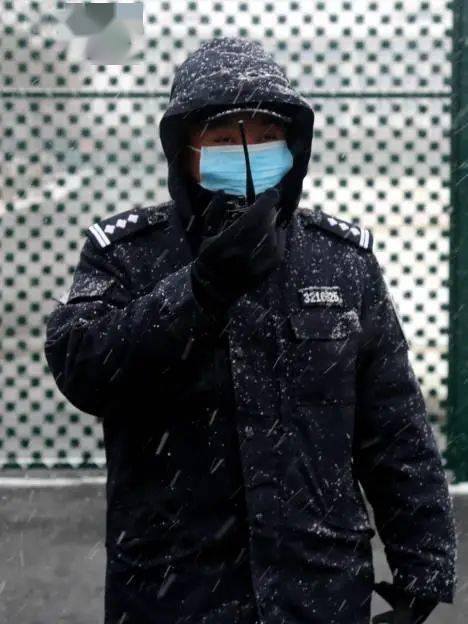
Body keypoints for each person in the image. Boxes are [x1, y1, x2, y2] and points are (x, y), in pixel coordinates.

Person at [44, 37, 457, 624]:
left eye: (264, 135)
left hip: (318, 590)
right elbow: (84, 367)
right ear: (183, 151)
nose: (246, 151)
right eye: (220, 137)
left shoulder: (338, 260)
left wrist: (424, 567)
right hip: (172, 594)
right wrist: (201, 288)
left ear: (293, 146)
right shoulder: (127, 256)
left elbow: (392, 426)